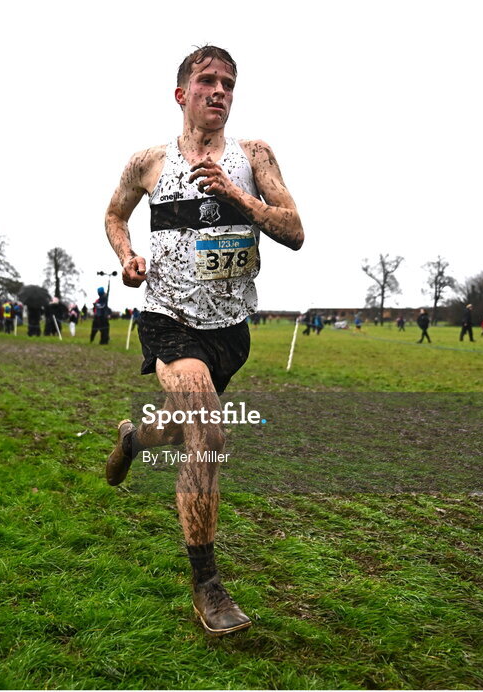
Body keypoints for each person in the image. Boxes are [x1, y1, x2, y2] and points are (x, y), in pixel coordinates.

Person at [102, 46, 304, 636]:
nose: (219, 91)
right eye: (207, 81)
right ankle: (207, 585)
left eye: (228, 83)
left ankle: (135, 438)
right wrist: (127, 256)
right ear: (182, 94)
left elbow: (295, 230)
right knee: (208, 429)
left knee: (177, 425)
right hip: (169, 318)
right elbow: (114, 216)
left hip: (229, 332)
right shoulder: (148, 162)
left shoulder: (254, 156)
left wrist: (239, 197)